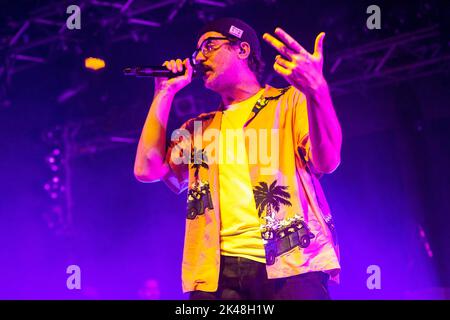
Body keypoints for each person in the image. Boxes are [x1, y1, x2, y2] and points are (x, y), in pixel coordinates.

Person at [134, 17, 342, 300]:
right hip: (216, 274)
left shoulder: (289, 103)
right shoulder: (199, 129)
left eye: (209, 46)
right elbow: (146, 169)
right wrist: (164, 93)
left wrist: (317, 90)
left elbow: (327, 161)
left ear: (242, 49)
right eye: (197, 51)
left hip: (292, 265)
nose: (198, 58)